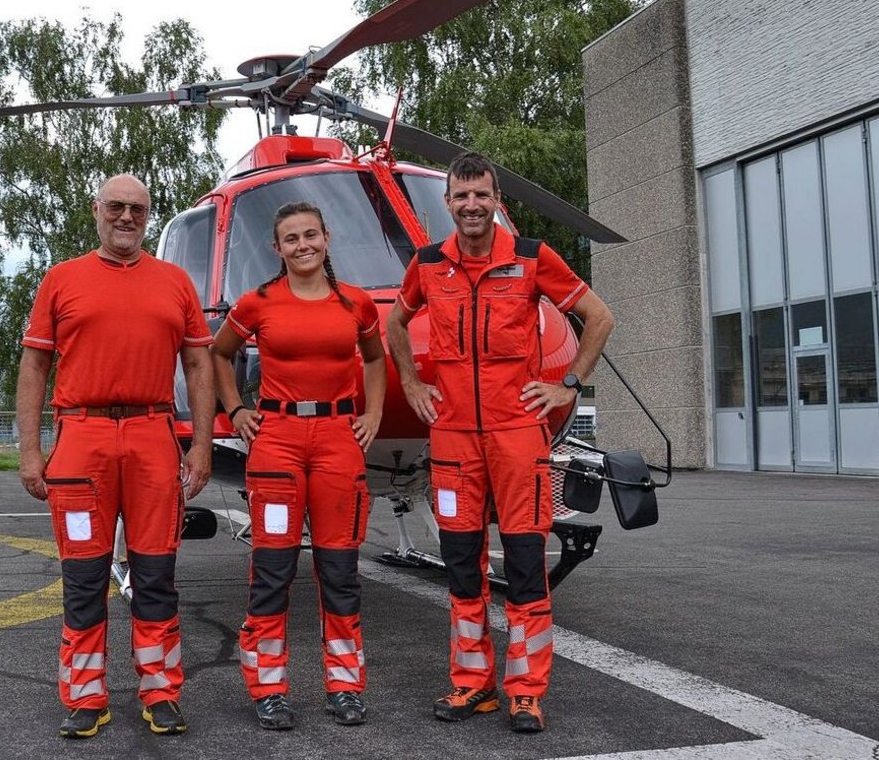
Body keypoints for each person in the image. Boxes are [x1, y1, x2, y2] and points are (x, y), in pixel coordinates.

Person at [386, 152, 614, 734]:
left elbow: (598, 316)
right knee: (462, 570)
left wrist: (566, 386)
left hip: (518, 439)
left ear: (495, 200)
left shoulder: (533, 258)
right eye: (461, 196)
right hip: (455, 441)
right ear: (448, 202)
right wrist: (412, 381)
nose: (471, 206)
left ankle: (526, 692)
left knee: (525, 566)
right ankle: (471, 685)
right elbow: (393, 324)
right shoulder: (428, 263)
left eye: (481, 195)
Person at [17, 173, 215, 739]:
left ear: (148, 216)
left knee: (156, 574)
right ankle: (85, 696)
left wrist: (200, 445)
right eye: (116, 207)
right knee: (83, 576)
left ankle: (161, 691)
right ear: (96, 210)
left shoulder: (175, 283)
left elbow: (199, 366)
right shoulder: (61, 280)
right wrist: (31, 452)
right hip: (82, 441)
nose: (126, 218)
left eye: (138, 209)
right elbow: (34, 367)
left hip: (154, 436)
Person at [211, 201, 386, 731]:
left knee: (339, 572)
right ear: (277, 248)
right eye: (292, 238)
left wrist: (373, 412)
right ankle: (267, 688)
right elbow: (219, 355)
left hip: (338, 439)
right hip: (278, 440)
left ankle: (346, 685)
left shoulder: (355, 303)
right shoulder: (257, 303)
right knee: (272, 571)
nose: (303, 245)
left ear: (327, 238)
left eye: (311, 234)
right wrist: (236, 409)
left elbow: (376, 358)